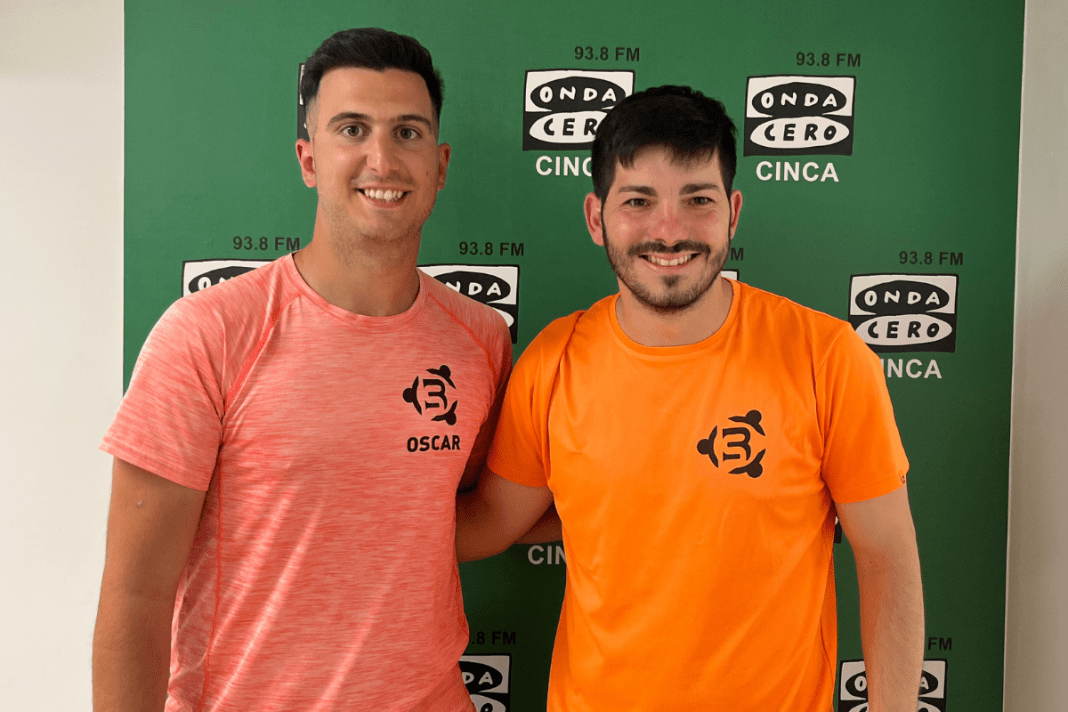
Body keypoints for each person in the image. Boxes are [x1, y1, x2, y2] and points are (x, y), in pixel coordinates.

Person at [456, 85, 924, 711]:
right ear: (596, 218)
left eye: (697, 199)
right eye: (638, 201)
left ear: (733, 212)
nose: (669, 231)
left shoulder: (827, 357)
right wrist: (345, 517)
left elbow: (887, 558)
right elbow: (493, 523)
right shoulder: (553, 360)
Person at [93, 28, 509, 712]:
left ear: (440, 165)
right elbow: (135, 594)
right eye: (353, 129)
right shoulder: (210, 333)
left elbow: (465, 514)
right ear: (309, 158)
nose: (382, 158)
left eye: (407, 132)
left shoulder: (481, 338)